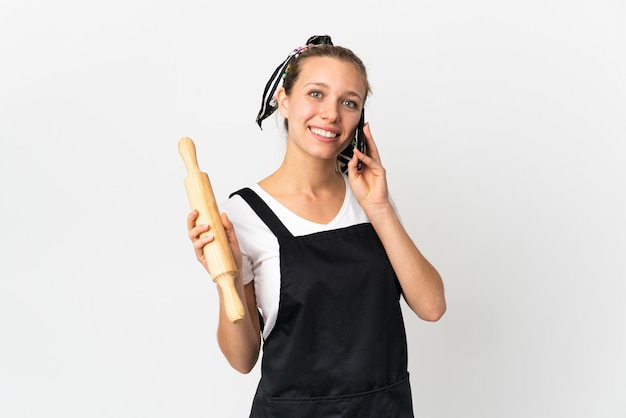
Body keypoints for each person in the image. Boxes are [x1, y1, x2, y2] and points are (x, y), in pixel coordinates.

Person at [187, 35, 446, 418]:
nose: (331, 114)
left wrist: (380, 208)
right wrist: (223, 277)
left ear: (360, 117)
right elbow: (242, 359)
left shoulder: (370, 199)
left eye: (349, 102)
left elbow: (432, 306)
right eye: (316, 94)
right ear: (284, 99)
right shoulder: (244, 214)